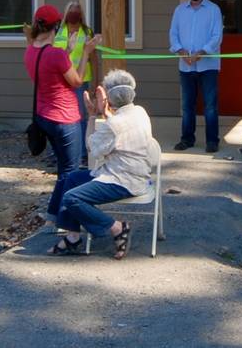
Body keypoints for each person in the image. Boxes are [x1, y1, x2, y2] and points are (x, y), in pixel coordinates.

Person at [47, 70, 160, 260]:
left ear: (109, 97)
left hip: (122, 180)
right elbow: (118, 135)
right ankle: (72, 237)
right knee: (71, 178)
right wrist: (107, 114)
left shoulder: (113, 125)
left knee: (71, 198)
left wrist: (92, 116)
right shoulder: (140, 112)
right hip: (137, 174)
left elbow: (92, 149)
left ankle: (117, 228)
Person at [28, 5, 86, 217]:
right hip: (65, 120)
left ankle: (53, 212)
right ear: (57, 26)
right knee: (71, 171)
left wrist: (68, 51)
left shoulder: (32, 50)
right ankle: (66, 218)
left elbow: (52, 66)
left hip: (45, 117)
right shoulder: (56, 55)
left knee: (63, 169)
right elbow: (77, 81)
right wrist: (86, 53)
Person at [168, 0, 223, 153]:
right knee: (187, 105)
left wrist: (203, 51)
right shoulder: (179, 10)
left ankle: (212, 141)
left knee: (210, 105)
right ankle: (187, 139)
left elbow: (217, 36)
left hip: (208, 65)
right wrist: (180, 50)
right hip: (186, 65)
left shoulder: (213, 10)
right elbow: (173, 33)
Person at [53, 0, 98, 156]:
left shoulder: (86, 32)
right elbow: (53, 54)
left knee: (80, 115)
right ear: (66, 13)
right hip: (61, 80)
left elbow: (93, 58)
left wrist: (95, 81)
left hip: (81, 79)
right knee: (59, 115)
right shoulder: (58, 30)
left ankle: (83, 152)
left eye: (77, 10)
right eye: (71, 10)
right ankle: (59, 151)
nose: (74, 13)